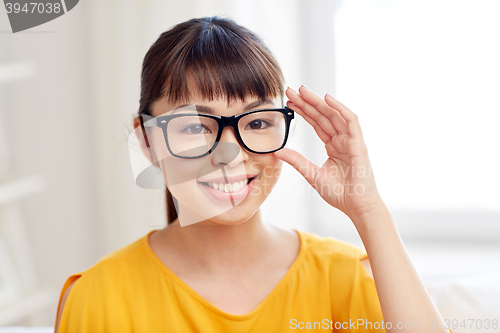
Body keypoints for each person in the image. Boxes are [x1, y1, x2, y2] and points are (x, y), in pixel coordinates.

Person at [54, 16, 451, 332]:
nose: (231, 155)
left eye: (258, 123)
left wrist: (369, 211)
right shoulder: (97, 298)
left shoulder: (346, 277)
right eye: (195, 127)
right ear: (147, 142)